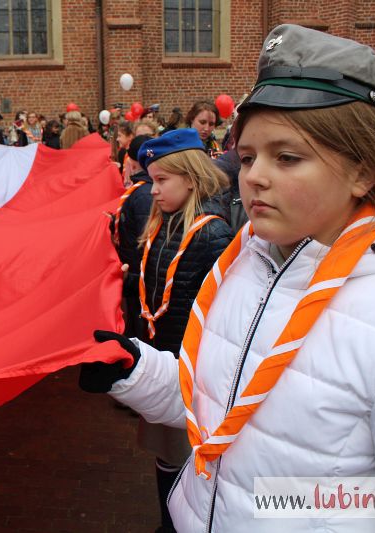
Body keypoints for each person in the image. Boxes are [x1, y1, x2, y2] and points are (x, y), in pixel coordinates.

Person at [80, 25, 375, 532]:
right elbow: (223, 404)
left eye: (287, 157)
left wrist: (268, 505)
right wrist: (139, 372)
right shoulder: (248, 262)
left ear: (362, 173)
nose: (254, 176)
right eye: (247, 157)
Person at [133, 129, 233, 532]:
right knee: (165, 454)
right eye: (150, 180)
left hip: (189, 368)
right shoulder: (162, 225)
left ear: (190, 177)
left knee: (183, 458)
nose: (152, 190)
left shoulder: (212, 234)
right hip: (163, 359)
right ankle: (167, 520)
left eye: (161, 180)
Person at [113, 134, 154, 339]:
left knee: (139, 326)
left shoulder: (143, 194)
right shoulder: (141, 192)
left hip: (138, 272)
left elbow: (145, 237)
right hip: (135, 272)